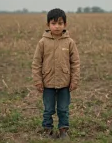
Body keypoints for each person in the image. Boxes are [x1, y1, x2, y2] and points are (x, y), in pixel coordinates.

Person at [31, 8, 80, 139]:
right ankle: (48, 130)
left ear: (65, 24)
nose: (57, 26)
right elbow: (36, 63)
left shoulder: (70, 42)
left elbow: (75, 63)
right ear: (48, 25)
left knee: (63, 109)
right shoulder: (42, 42)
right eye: (53, 23)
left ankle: (63, 130)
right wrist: (38, 81)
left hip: (65, 83)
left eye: (60, 23)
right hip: (47, 83)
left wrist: (74, 80)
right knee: (48, 109)